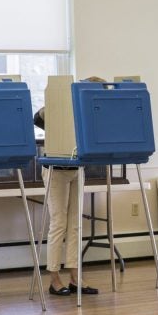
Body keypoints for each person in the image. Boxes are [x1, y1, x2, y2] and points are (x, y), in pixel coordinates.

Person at [34, 79, 102, 297]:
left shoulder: (92, 112)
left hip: (76, 169)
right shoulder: (65, 104)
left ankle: (75, 277)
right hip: (55, 169)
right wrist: (58, 107)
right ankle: (54, 278)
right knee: (59, 224)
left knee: (75, 225)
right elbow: (37, 117)